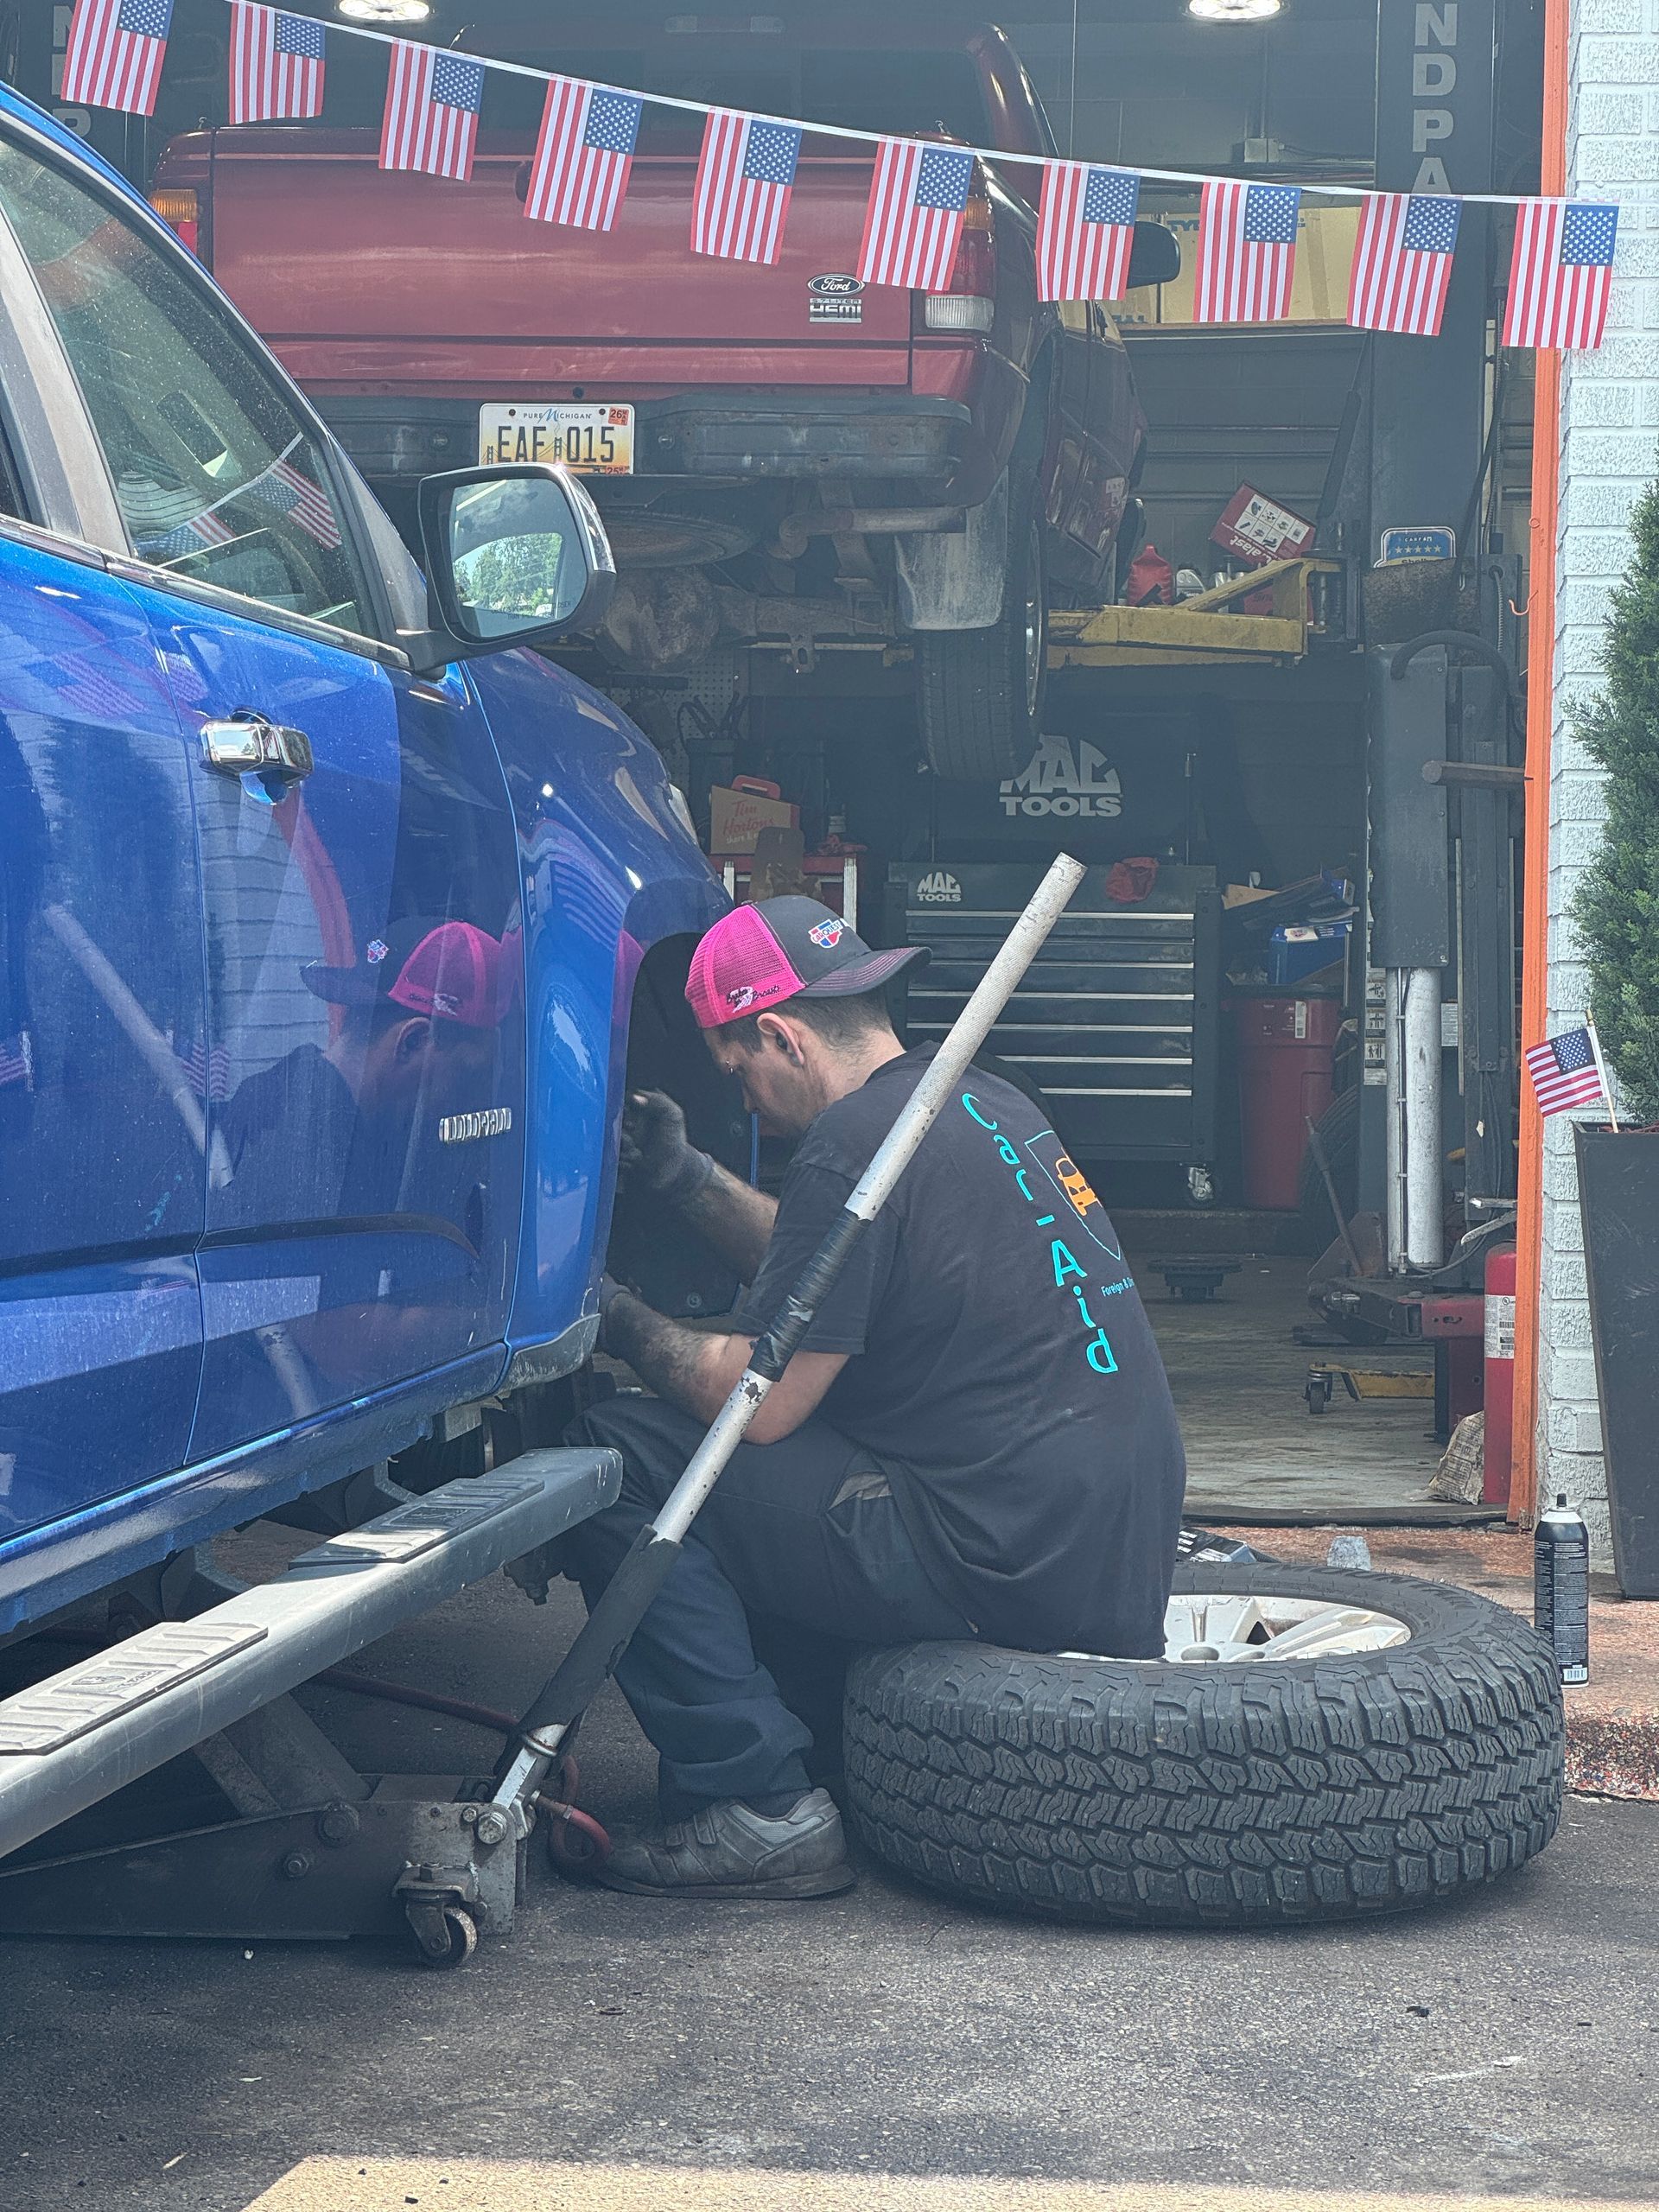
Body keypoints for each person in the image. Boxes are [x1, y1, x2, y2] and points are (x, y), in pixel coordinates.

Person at [565, 896, 1186, 1900]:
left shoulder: (854, 1143)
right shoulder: (977, 1101)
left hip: (1000, 1550)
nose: (749, 1104)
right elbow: (832, 1265)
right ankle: (823, 1745)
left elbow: (760, 1407)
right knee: (795, 1449)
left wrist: (609, 1316)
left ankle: (754, 1800)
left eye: (741, 1075)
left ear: (780, 1033)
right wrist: (685, 1175)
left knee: (624, 1452)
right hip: (1102, 1545)